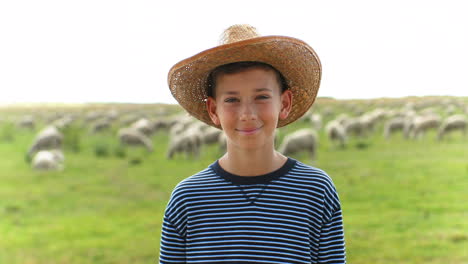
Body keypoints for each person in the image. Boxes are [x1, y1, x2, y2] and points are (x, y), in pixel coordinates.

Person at [159, 24, 346, 264]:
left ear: (285, 103)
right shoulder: (187, 199)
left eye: (262, 97)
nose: (247, 114)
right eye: (232, 99)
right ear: (213, 110)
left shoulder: (316, 191)